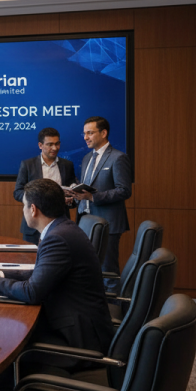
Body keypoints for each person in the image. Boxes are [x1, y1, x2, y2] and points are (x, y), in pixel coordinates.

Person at [0, 178, 114, 357]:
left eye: (24, 206)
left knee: (4, 341)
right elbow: (43, 274)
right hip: (74, 323)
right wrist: (0, 273)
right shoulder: (62, 229)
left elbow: (32, 292)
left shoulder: (57, 239)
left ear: (33, 209)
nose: (23, 210)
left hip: (76, 339)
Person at [71, 115, 132, 281]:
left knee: (107, 271)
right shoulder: (86, 158)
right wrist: (75, 196)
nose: (85, 138)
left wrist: (93, 197)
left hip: (108, 224)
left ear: (104, 133)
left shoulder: (118, 158)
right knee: (87, 269)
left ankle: (113, 306)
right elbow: (86, 187)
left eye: (90, 133)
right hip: (84, 222)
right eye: (84, 133)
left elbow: (124, 190)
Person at [13, 127, 77, 244]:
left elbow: (73, 192)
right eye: (50, 144)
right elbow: (17, 192)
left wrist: (71, 199)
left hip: (60, 225)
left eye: (57, 144)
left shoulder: (67, 165)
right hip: (34, 226)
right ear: (40, 145)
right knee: (30, 261)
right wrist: (38, 198)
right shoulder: (28, 165)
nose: (55, 148)